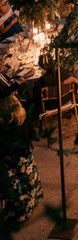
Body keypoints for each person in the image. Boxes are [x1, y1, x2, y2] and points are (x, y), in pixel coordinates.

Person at [0, 90, 43, 223]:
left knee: (17, 188)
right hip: (26, 158)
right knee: (29, 184)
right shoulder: (24, 119)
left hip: (12, 162)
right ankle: (31, 204)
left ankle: (19, 213)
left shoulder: (6, 126)